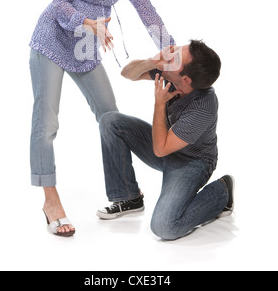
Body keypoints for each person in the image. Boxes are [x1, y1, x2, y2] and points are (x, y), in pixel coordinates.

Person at [29, 0, 174, 236]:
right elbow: (59, 2)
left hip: (85, 48)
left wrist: (171, 50)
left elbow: (146, 10)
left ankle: (126, 193)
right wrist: (87, 22)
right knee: (47, 122)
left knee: (111, 117)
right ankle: (51, 201)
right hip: (52, 40)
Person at [97, 41, 235, 240]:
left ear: (185, 80)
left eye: (177, 57)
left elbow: (160, 149)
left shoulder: (202, 108)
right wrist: (151, 62)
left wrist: (159, 103)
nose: (171, 54)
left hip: (193, 163)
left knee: (165, 227)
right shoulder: (170, 71)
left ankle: (222, 192)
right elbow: (127, 73)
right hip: (167, 146)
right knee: (110, 122)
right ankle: (128, 197)